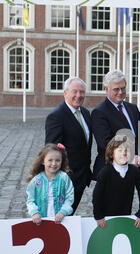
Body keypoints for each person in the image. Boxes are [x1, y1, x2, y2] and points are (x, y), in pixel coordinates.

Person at [45, 77, 93, 214]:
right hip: (65, 180)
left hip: (82, 177)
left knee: (70, 215)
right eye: (75, 91)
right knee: (61, 217)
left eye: (82, 92)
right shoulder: (56, 116)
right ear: (65, 93)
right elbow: (50, 150)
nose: (79, 95)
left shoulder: (85, 113)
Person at [91, 70, 140, 180]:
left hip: (133, 169)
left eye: (123, 88)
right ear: (106, 89)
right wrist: (129, 158)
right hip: (111, 170)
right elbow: (105, 143)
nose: (120, 92)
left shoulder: (133, 108)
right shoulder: (99, 112)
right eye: (116, 89)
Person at [92, 135, 140, 229]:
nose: (124, 153)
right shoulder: (105, 172)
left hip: (125, 216)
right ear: (111, 154)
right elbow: (96, 196)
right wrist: (98, 216)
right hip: (106, 219)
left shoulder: (134, 171)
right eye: (120, 150)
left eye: (127, 150)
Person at [26, 143, 74, 225]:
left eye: (57, 160)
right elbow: (30, 200)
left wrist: (63, 212)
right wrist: (34, 213)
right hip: (40, 220)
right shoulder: (36, 180)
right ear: (43, 161)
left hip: (60, 220)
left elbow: (70, 197)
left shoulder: (64, 178)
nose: (54, 164)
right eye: (50, 160)